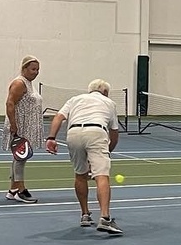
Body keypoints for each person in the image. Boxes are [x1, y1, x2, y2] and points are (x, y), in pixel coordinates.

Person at [45, 79, 123, 233]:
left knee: (80, 175)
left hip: (73, 133)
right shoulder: (109, 103)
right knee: (102, 176)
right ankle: (105, 218)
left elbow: (58, 117)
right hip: (96, 132)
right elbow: (114, 133)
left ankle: (85, 215)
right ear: (105, 92)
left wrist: (51, 138)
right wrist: (108, 151)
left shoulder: (74, 99)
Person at [2, 55, 43, 204]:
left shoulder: (29, 83)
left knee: (19, 157)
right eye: (33, 69)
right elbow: (10, 104)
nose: (36, 72)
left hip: (27, 125)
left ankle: (12, 190)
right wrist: (14, 125)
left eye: (38, 69)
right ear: (24, 68)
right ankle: (21, 190)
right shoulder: (19, 83)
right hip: (20, 125)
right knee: (21, 157)